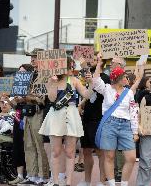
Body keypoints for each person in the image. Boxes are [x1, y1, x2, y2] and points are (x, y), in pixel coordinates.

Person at [39, 57, 93, 186]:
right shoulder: (51, 80)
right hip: (56, 115)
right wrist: (52, 83)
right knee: (56, 151)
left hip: (72, 114)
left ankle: (68, 181)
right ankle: (56, 181)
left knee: (70, 152)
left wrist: (91, 83)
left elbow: (87, 95)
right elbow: (52, 99)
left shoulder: (74, 80)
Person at [90, 58, 139, 186]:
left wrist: (135, 131)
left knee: (131, 158)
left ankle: (124, 183)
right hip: (109, 124)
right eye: (124, 77)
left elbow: (134, 112)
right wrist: (99, 65)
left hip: (125, 125)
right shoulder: (107, 89)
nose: (126, 79)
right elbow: (95, 81)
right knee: (109, 157)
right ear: (118, 78)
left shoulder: (129, 93)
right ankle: (112, 184)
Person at [77, 53, 110, 186]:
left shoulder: (106, 78)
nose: (95, 61)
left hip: (99, 118)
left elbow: (102, 92)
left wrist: (92, 80)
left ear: (103, 63)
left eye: (98, 59)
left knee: (100, 151)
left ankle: (102, 181)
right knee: (86, 151)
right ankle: (87, 180)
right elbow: (86, 92)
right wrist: (81, 103)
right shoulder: (86, 76)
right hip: (87, 117)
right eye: (95, 59)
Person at [18, 49, 50, 185]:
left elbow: (42, 99)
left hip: (39, 112)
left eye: (35, 57)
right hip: (28, 112)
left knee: (39, 144)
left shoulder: (47, 75)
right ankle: (32, 175)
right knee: (29, 145)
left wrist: (27, 96)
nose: (32, 59)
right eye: (31, 57)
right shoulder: (30, 74)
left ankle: (43, 176)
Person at [8, 64, 34, 185]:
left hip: (29, 116)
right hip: (18, 116)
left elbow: (36, 100)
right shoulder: (16, 85)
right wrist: (8, 100)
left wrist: (24, 98)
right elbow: (14, 105)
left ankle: (30, 174)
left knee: (28, 145)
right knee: (18, 144)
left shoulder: (33, 85)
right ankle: (19, 175)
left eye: (23, 72)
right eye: (19, 72)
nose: (20, 74)